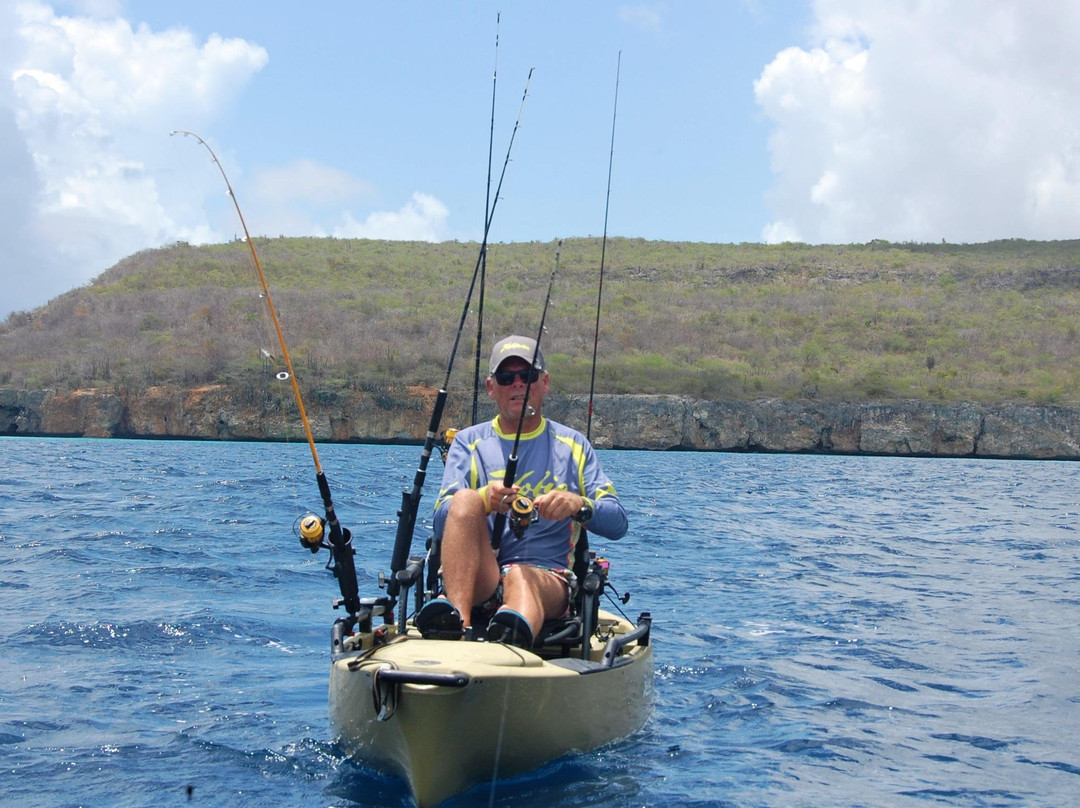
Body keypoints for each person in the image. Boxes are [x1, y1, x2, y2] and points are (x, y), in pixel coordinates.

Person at [417, 334, 628, 648]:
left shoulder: (574, 445)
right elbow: (439, 524)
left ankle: (513, 633)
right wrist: (484, 500)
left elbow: (618, 523)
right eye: (506, 377)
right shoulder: (467, 442)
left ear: (545, 382)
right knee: (464, 498)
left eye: (527, 376)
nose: (517, 384)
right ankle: (456, 624)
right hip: (483, 577)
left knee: (520, 576)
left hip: (548, 579)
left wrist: (579, 505)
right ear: (492, 387)